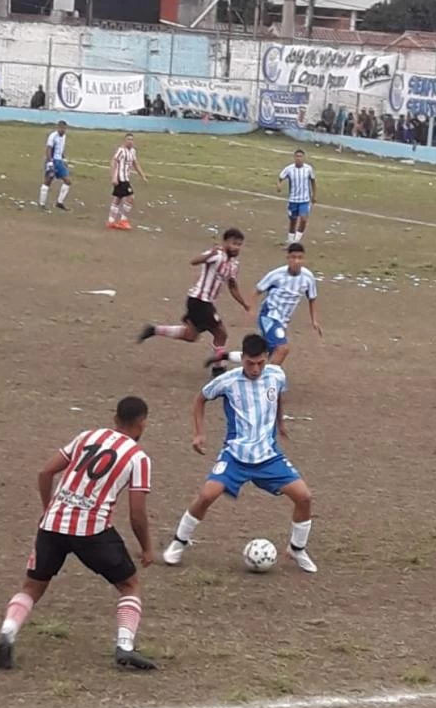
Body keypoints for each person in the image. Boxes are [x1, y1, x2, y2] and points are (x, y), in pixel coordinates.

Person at [0, 397, 156, 672]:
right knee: (129, 585)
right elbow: (137, 513)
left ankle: (7, 634)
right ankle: (125, 647)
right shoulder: (138, 458)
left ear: (115, 419)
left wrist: (49, 509)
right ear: (143, 423)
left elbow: (46, 471)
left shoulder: (87, 436)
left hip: (53, 525)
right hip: (92, 531)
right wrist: (147, 547)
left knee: (32, 587)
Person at [161, 333, 316, 574]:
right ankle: (179, 542)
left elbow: (277, 397)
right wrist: (198, 433)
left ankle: (297, 548)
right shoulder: (228, 381)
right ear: (242, 358)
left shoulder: (276, 374)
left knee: (304, 497)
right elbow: (200, 399)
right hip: (235, 455)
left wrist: (280, 423)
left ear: (266, 358)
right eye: (250, 363)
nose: (255, 369)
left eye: (260, 363)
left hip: (268, 456)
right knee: (205, 495)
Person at [138, 228, 250, 372]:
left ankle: (154, 330)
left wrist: (244, 303)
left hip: (204, 302)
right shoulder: (217, 255)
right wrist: (209, 255)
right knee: (221, 334)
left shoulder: (234, 265)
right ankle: (218, 368)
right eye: (234, 243)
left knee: (190, 336)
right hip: (199, 300)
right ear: (225, 242)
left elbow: (232, 286)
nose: (236, 248)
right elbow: (194, 261)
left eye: (239, 245)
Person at [209, 242, 323, 370]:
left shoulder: (308, 277)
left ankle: (224, 356)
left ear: (304, 259)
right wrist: (251, 309)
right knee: (282, 349)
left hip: (283, 321)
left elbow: (312, 298)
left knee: (261, 354)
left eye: (300, 258)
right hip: (269, 316)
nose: (296, 261)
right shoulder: (276, 275)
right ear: (288, 259)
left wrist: (314, 320)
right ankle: (267, 380)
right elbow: (256, 290)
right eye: (293, 257)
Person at [106, 132, 148, 230]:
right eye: (128, 139)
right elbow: (113, 162)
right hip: (121, 178)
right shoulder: (121, 150)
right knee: (131, 197)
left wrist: (142, 175)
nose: (130, 141)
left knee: (118, 199)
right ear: (124, 141)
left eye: (132, 139)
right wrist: (114, 177)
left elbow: (135, 163)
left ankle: (111, 221)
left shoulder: (133, 151)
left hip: (126, 178)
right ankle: (123, 220)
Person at [277, 149, 316, 246]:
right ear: (294, 158)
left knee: (303, 219)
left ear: (304, 158)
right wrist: (279, 185)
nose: (299, 158)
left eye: (300, 156)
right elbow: (280, 178)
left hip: (304, 200)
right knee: (293, 221)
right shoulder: (289, 169)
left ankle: (296, 241)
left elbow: (313, 181)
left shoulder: (308, 169)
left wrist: (314, 195)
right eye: (297, 156)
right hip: (293, 200)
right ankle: (290, 241)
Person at [39, 121, 71, 211]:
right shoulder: (53, 136)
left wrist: (63, 159)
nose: (63, 130)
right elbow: (49, 149)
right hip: (53, 161)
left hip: (59, 161)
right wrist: (50, 163)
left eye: (64, 129)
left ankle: (59, 202)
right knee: (48, 181)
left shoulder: (64, 137)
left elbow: (61, 149)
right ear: (58, 128)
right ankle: (42, 204)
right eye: (61, 128)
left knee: (68, 181)